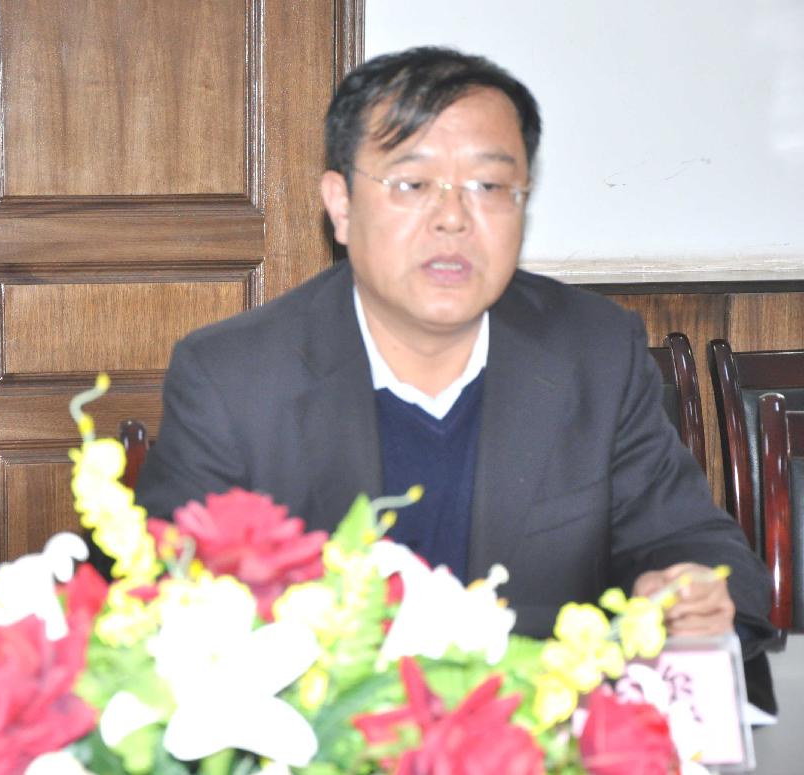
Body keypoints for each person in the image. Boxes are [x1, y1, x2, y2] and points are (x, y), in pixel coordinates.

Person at [135, 47, 776, 696]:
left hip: (538, 731)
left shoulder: (594, 352)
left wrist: (693, 585)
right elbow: (159, 607)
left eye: (489, 187)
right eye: (412, 184)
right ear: (342, 205)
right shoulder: (234, 378)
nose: (452, 218)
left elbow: (694, 543)